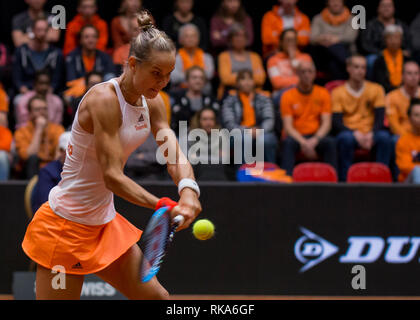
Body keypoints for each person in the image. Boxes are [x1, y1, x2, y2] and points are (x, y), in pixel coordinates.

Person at [21, 11, 201, 300]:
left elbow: (173, 154)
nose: (163, 82)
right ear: (132, 64)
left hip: (104, 224)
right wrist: (162, 206)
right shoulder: (104, 100)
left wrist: (189, 190)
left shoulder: (153, 103)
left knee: (159, 299)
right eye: (156, 73)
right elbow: (113, 177)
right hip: (65, 228)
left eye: (168, 75)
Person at [332, 55, 392, 181]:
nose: (360, 71)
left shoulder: (376, 89)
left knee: (385, 138)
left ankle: (381, 179)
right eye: (356, 67)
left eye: (363, 68)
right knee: (344, 139)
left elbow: (380, 119)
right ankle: (345, 181)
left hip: (371, 132)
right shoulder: (338, 92)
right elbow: (336, 122)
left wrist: (371, 133)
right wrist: (355, 134)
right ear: (348, 68)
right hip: (350, 132)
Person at [280, 61, 337, 176]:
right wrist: (304, 143)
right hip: (296, 136)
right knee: (287, 143)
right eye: (303, 72)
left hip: (316, 135)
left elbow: (327, 123)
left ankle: (333, 182)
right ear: (297, 74)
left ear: (315, 74)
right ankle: (285, 183)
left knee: (330, 143)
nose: (306, 75)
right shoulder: (287, 95)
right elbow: (288, 127)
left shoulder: (323, 93)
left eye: (310, 71)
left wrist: (315, 140)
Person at [221, 69, 277, 164]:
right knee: (243, 139)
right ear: (237, 83)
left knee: (267, 140)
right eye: (243, 79)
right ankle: (242, 174)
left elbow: (269, 120)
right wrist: (248, 131)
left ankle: (270, 173)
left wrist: (259, 130)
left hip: (262, 132)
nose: (247, 82)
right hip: (238, 133)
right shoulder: (229, 101)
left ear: (254, 82)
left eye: (250, 79)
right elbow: (229, 124)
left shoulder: (264, 99)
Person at [14, 95, 65, 179]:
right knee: (33, 159)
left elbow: (59, 155)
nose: (42, 112)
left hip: (52, 170)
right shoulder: (21, 132)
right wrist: (39, 130)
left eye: (44, 109)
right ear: (30, 113)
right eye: (37, 109)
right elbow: (27, 156)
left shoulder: (57, 129)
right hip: (31, 171)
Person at [12, 17, 64, 96]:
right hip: (26, 92)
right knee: (19, 101)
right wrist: (25, 91)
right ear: (32, 30)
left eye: (45, 30)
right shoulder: (21, 51)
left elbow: (56, 79)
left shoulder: (56, 53)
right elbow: (16, 77)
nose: (42, 33)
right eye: (39, 30)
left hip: (48, 93)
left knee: (58, 103)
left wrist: (49, 91)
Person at [360, 0, 411, 77]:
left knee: (411, 63)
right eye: (383, 6)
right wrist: (382, 53)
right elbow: (366, 45)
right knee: (371, 60)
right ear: (378, 8)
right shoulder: (371, 25)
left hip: (398, 53)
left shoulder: (401, 25)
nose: (386, 8)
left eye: (389, 6)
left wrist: (406, 51)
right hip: (378, 54)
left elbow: (409, 42)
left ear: (394, 8)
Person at [309, 0, 358, 80]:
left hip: (346, 51)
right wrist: (325, 38)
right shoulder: (318, 19)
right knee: (331, 48)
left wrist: (336, 39)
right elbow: (312, 38)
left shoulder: (353, 19)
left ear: (343, 2)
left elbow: (351, 37)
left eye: (338, 1)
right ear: (327, 3)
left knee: (333, 63)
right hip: (323, 53)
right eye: (332, 1)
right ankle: (350, 64)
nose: (336, 3)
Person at [217, 23, 266, 100]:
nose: (239, 39)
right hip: (231, 93)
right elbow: (225, 79)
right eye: (236, 36)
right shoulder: (224, 56)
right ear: (231, 39)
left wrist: (235, 75)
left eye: (242, 36)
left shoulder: (255, 56)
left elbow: (261, 79)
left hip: (254, 94)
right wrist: (249, 78)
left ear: (246, 39)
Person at [171, 66, 220, 134]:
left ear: (205, 81)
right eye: (194, 77)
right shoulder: (178, 101)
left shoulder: (211, 101)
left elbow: (217, 124)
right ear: (187, 80)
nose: (198, 81)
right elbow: (174, 124)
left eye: (201, 78)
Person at [31, 131, 71, 214]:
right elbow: (44, 204)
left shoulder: (81, 172)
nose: (73, 156)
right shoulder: (47, 172)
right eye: (70, 151)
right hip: (50, 220)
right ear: (60, 151)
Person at [170, 24, 214, 94]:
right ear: (180, 40)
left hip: (204, 93)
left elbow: (209, 75)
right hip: (180, 93)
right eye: (187, 36)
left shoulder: (207, 57)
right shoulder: (174, 58)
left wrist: (186, 76)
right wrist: (198, 77)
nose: (190, 39)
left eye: (193, 36)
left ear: (198, 39)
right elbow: (174, 78)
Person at [267, 28, 313, 95]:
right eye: (288, 40)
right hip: (282, 93)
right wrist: (299, 81)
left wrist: (293, 60)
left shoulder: (306, 58)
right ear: (281, 42)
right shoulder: (272, 60)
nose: (291, 43)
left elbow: (309, 78)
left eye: (294, 40)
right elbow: (276, 83)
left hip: (303, 91)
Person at [188, 107, 229, 181]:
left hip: (218, 176)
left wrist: (199, 157)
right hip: (196, 177)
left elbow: (224, 159)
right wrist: (215, 156)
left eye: (211, 119)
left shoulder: (222, 136)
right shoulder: (191, 136)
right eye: (205, 119)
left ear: (215, 121)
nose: (208, 122)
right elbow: (190, 159)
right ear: (199, 120)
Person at [386, 61, 420, 137]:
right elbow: (393, 124)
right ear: (402, 76)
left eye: (416, 73)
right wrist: (408, 138)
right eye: (409, 73)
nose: (413, 77)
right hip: (402, 135)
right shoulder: (391, 97)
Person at [372, 25, 410, 93]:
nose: (394, 41)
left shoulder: (407, 59)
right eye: (390, 38)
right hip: (386, 93)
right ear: (385, 40)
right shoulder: (379, 60)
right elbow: (379, 83)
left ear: (401, 40)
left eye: (396, 37)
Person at [396, 98, 420, 183]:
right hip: (408, 183)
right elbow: (404, 166)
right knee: (417, 172)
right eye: (416, 115)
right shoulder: (403, 140)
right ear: (409, 118)